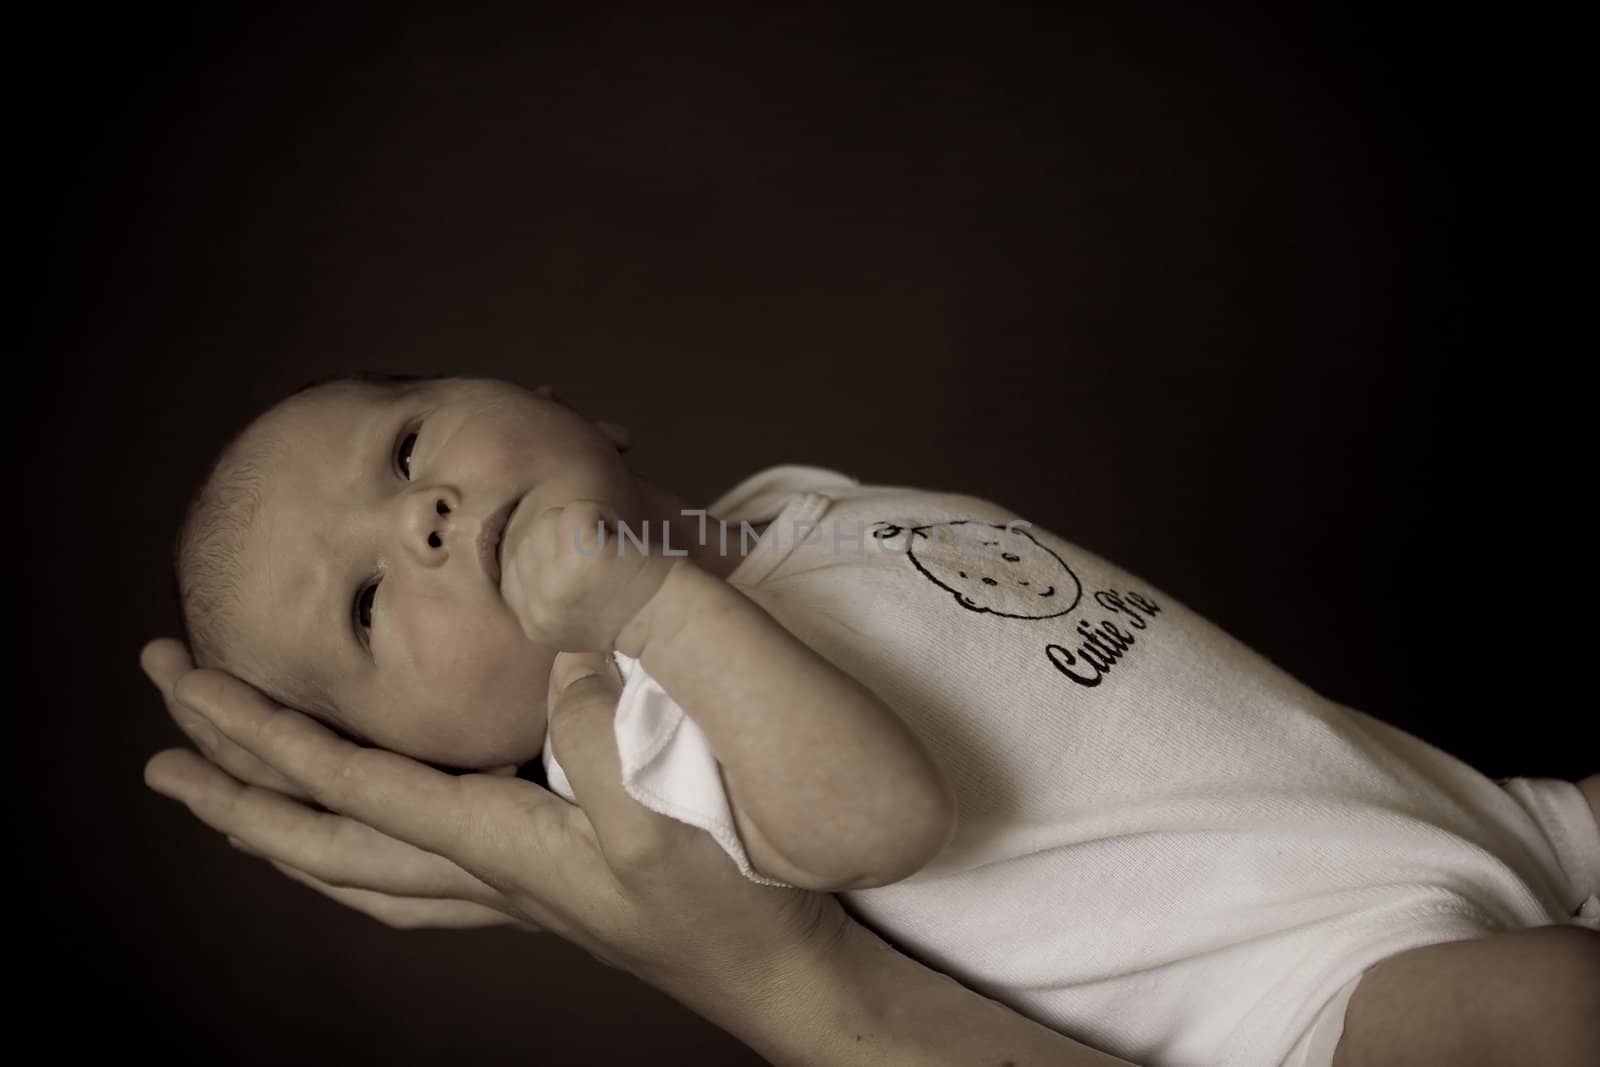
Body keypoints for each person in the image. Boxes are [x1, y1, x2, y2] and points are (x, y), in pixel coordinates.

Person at [158, 373, 1600, 1066]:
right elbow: (873, 821)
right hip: (1316, 994)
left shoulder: (792, 509)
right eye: (364, 607)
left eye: (406, 446)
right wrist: (650, 616)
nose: (423, 518)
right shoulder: (650, 731)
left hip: (1440, 816)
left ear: (572, 405)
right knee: (1555, 1009)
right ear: (445, 758)